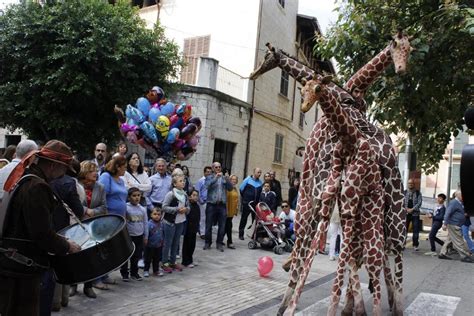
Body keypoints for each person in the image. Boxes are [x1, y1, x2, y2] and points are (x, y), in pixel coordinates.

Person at [0, 140, 81, 315]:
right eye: (64, 169)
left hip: (12, 263)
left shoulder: (26, 179)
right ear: (53, 165)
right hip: (22, 269)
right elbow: (41, 234)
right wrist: (67, 246)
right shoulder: (37, 187)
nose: (63, 174)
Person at [46, 159, 84, 312]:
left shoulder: (45, 179)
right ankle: (63, 299)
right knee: (64, 261)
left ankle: (54, 301)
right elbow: (78, 210)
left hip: (48, 224)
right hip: (64, 227)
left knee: (52, 263)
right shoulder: (70, 183)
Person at [69, 161, 107, 297]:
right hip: (77, 225)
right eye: (92, 171)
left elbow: (104, 207)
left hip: (93, 226)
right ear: (84, 172)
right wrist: (85, 210)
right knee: (76, 256)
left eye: (96, 170)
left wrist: (92, 212)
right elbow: (72, 204)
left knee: (91, 257)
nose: (96, 173)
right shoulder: (75, 186)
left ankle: (88, 286)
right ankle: (73, 285)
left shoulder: (100, 187)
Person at [162, 174, 190, 272]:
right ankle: (164, 262)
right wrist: (177, 209)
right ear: (174, 184)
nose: (183, 182)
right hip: (170, 222)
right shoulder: (171, 194)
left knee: (176, 242)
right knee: (168, 243)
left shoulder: (185, 194)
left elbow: (188, 207)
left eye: (184, 181)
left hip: (180, 222)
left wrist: (186, 209)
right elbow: (164, 207)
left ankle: (173, 261)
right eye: (180, 181)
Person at [203, 162, 233, 252]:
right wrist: (215, 178)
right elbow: (206, 186)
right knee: (208, 225)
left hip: (222, 205)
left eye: (219, 167)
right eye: (216, 167)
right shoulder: (209, 177)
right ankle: (207, 243)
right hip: (211, 204)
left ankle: (219, 243)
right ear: (213, 168)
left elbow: (230, 188)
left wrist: (228, 179)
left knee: (222, 225)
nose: (218, 169)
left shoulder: (224, 178)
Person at [121, 188, 148, 281]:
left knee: (136, 255)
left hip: (139, 236)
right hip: (128, 236)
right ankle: (124, 273)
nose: (137, 198)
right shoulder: (125, 207)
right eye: (134, 196)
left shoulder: (142, 209)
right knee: (126, 255)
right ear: (129, 197)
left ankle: (134, 273)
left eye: (138, 195)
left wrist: (146, 236)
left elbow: (145, 223)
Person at [439, 190, 474, 262]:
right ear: (458, 195)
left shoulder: (459, 203)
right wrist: (444, 223)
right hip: (454, 224)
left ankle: (442, 253)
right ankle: (464, 256)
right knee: (459, 241)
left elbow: (458, 212)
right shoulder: (454, 203)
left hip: (456, 224)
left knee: (449, 239)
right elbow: (448, 213)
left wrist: (463, 214)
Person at [238, 168, 263, 240]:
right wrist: (245, 199)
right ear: (254, 172)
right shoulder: (247, 180)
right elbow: (241, 189)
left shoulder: (260, 182)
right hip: (247, 204)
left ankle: (253, 234)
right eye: (258, 172)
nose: (259, 174)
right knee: (244, 218)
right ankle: (241, 234)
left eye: (260, 172)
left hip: (256, 204)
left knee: (255, 220)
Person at [182, 189, 201, 267]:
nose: (195, 197)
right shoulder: (188, 206)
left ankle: (190, 259)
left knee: (192, 245)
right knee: (187, 244)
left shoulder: (197, 206)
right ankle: (185, 261)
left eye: (196, 195)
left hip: (194, 228)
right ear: (189, 196)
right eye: (193, 195)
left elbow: (198, 217)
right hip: (188, 228)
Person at [143, 207, 164, 277]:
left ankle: (156, 270)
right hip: (149, 245)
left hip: (158, 245)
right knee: (148, 259)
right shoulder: (149, 224)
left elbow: (162, 233)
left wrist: (162, 241)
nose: (157, 216)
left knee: (156, 259)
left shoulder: (161, 224)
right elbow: (146, 234)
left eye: (158, 214)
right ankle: (146, 270)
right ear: (151, 215)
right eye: (155, 214)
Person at [403, 178, 422, 251]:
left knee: (416, 230)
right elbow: (402, 202)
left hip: (415, 214)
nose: (410, 185)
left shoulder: (418, 193)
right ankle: (403, 244)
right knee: (404, 229)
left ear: (414, 184)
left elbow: (419, 203)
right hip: (406, 213)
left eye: (412, 183)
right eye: (409, 183)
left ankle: (415, 245)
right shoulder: (404, 192)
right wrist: (406, 209)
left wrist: (412, 209)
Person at [195, 166, 212, 238]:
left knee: (208, 218)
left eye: (210, 172)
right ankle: (202, 233)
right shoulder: (201, 181)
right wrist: (201, 201)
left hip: (210, 201)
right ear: (204, 172)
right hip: (203, 201)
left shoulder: (211, 181)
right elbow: (197, 191)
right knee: (203, 217)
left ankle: (206, 231)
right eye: (207, 172)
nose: (208, 173)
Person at [225, 175, 239, 249]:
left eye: (235, 179)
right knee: (229, 226)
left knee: (226, 226)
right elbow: (226, 200)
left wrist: (236, 209)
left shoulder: (235, 189)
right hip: (228, 210)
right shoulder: (228, 189)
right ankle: (229, 242)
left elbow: (236, 200)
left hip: (232, 211)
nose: (234, 181)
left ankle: (220, 239)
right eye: (232, 179)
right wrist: (226, 210)